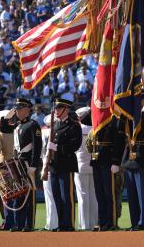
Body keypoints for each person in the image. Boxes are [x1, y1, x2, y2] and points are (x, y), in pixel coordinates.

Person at [120, 96, 144, 231]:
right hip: (130, 159)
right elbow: (123, 126)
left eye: (143, 99)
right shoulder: (130, 117)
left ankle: (142, 222)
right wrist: (139, 112)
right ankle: (134, 222)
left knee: (142, 195)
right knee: (132, 196)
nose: (141, 102)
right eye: (141, 99)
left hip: (142, 160)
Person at [47, 98, 82, 231]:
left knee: (66, 196)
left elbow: (75, 144)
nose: (56, 111)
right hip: (54, 165)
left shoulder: (73, 125)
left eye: (59, 108)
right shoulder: (54, 124)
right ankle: (61, 223)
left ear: (66, 109)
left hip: (66, 164)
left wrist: (58, 147)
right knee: (56, 196)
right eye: (55, 108)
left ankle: (69, 224)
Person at [9, 98, 42, 232]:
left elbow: (37, 146)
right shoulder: (17, 125)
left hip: (28, 163)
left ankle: (29, 224)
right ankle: (19, 223)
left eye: (18, 109)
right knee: (18, 194)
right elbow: (4, 126)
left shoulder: (32, 125)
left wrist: (33, 165)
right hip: (18, 162)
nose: (16, 111)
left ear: (27, 110)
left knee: (29, 195)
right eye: (16, 109)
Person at [90, 117, 125, 231]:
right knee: (99, 193)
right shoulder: (97, 118)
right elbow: (85, 120)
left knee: (109, 194)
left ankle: (111, 221)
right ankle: (102, 221)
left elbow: (119, 142)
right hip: (97, 160)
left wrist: (116, 161)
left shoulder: (115, 120)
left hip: (109, 161)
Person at [0, 109, 16, 231]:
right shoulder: (16, 130)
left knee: (7, 196)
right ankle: (19, 221)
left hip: (5, 167)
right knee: (18, 195)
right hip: (18, 165)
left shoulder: (0, 134)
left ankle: (8, 222)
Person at [74, 106, 98, 230]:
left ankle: (84, 225)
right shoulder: (94, 129)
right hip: (93, 165)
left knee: (82, 196)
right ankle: (95, 223)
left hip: (80, 165)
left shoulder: (77, 129)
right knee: (93, 196)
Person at [41, 113, 58, 231]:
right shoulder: (53, 132)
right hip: (50, 163)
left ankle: (51, 224)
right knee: (52, 196)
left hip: (47, 163)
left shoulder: (45, 132)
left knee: (50, 197)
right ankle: (52, 223)